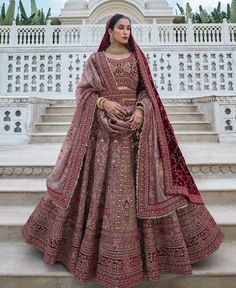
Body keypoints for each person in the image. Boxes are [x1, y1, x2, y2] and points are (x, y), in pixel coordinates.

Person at [21, 13, 224, 288]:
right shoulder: (96, 61)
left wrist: (141, 110)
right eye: (121, 27)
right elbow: (84, 93)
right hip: (102, 136)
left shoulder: (138, 59)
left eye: (129, 28)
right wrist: (103, 104)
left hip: (136, 136)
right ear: (110, 30)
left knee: (145, 188)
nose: (126, 32)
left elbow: (147, 92)